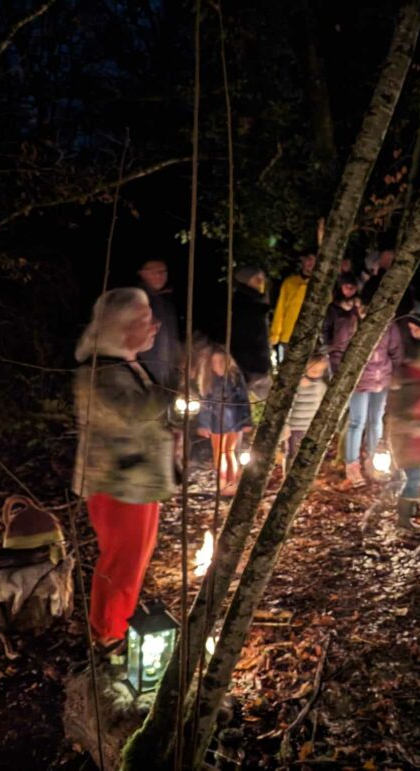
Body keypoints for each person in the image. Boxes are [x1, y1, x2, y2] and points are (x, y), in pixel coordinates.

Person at [72, 288, 174, 648]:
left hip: (136, 482)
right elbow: (133, 414)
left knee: (134, 559)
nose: (155, 325)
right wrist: (174, 389)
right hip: (119, 485)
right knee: (122, 564)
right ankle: (108, 635)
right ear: (121, 326)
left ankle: (115, 625)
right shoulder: (101, 371)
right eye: (145, 320)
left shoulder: (123, 365)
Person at [387, 303, 420, 531]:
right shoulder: (408, 378)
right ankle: (403, 519)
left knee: (416, 474)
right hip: (408, 436)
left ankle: (411, 507)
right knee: (411, 477)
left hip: (418, 436)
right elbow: (398, 410)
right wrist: (414, 426)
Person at [343, 311, 403, 489]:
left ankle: (373, 461)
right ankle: (352, 465)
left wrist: (395, 374)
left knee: (376, 421)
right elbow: (341, 349)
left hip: (382, 379)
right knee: (357, 422)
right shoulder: (351, 323)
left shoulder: (389, 324)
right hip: (359, 381)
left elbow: (396, 350)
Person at [197, 345, 253, 496]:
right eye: (214, 362)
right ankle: (222, 482)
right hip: (217, 420)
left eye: (221, 361)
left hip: (234, 420)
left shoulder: (234, 377)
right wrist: (204, 424)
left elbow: (243, 400)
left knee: (229, 451)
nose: (218, 365)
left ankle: (231, 483)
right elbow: (205, 404)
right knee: (219, 452)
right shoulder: (208, 380)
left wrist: (246, 421)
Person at [137, 260, 181, 390]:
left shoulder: (166, 304)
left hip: (165, 374)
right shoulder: (136, 300)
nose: (160, 276)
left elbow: (171, 339)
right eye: (154, 272)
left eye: (163, 272)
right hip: (144, 372)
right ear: (142, 274)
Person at [230, 266, 272, 402]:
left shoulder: (257, 301)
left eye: (262, 278)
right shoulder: (243, 304)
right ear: (245, 280)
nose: (261, 281)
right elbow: (244, 336)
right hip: (251, 364)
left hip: (256, 361)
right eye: (256, 278)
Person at [285, 348, 330, 467]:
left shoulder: (321, 386)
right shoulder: (296, 385)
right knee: (293, 453)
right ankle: (289, 472)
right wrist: (286, 425)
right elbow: (288, 406)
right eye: (314, 370)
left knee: (308, 454)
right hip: (295, 427)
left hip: (310, 426)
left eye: (320, 371)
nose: (317, 374)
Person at [270, 253, 316, 358]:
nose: (311, 264)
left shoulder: (320, 286)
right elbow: (280, 309)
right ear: (303, 260)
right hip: (287, 336)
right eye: (309, 259)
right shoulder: (289, 282)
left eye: (315, 261)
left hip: (309, 337)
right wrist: (275, 335)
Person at [322, 272, 362, 373]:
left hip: (355, 352)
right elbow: (325, 328)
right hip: (336, 354)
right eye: (346, 286)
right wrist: (330, 345)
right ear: (341, 287)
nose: (349, 289)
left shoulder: (358, 307)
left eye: (352, 287)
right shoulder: (333, 308)